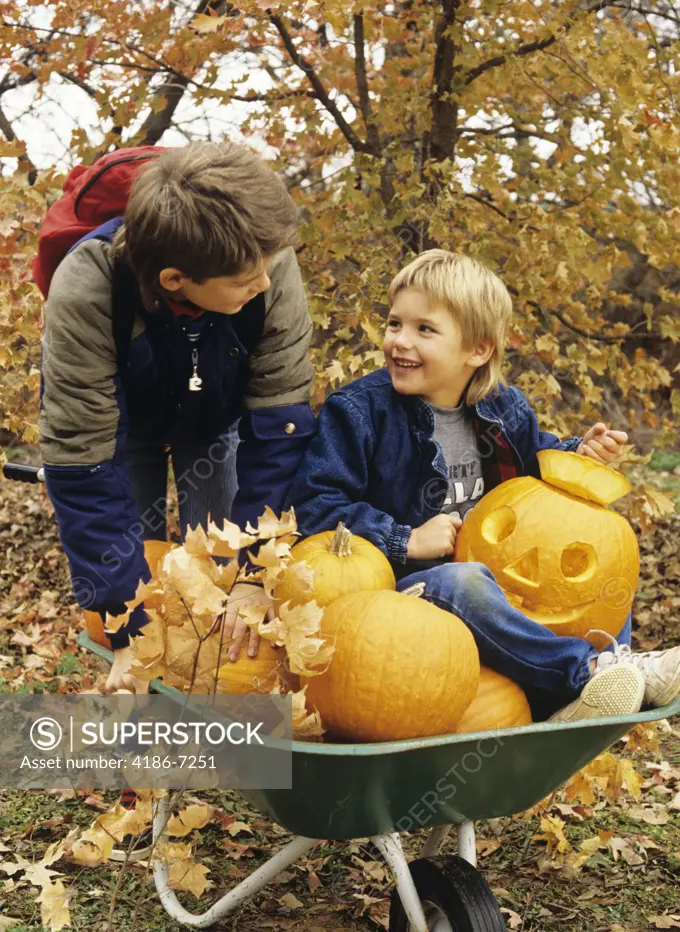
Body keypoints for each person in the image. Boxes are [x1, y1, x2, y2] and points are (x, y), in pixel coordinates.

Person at [39, 142, 316, 859]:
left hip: (216, 419)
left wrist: (255, 573)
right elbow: (79, 458)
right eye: (245, 277)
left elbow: (280, 429)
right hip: (119, 426)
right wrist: (123, 616)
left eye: (267, 265)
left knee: (218, 588)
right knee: (135, 607)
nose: (266, 279)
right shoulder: (87, 286)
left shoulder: (269, 263)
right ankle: (143, 774)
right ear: (176, 279)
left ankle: (218, 750)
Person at [286, 249, 680, 724]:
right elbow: (315, 505)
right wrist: (403, 539)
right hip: (403, 594)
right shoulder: (359, 412)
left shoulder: (503, 408)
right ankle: (590, 671)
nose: (399, 342)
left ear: (478, 350)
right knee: (463, 580)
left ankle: (581, 700)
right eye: (395, 324)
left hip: (491, 580)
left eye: (424, 329)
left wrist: (578, 453)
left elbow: (537, 465)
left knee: (607, 569)